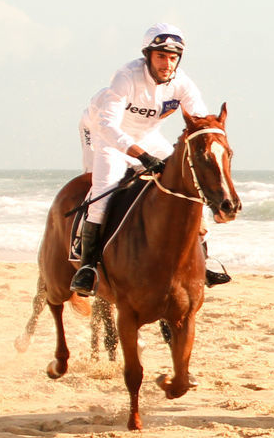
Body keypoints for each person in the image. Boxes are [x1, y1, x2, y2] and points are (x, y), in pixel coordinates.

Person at [70, 23, 231, 295]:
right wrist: (141, 157)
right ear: (148, 55)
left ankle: (204, 257)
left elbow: (200, 121)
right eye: (161, 57)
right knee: (104, 191)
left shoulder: (182, 84)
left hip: (146, 135)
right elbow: (109, 126)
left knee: (188, 182)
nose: (167, 64)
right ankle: (88, 267)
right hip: (104, 133)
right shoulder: (126, 77)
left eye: (172, 58)